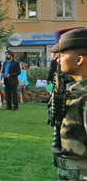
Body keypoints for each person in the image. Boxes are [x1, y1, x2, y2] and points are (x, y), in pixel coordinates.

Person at [46, 28, 87, 180]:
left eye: (62, 55)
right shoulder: (74, 92)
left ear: (79, 59)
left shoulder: (84, 96)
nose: (58, 59)